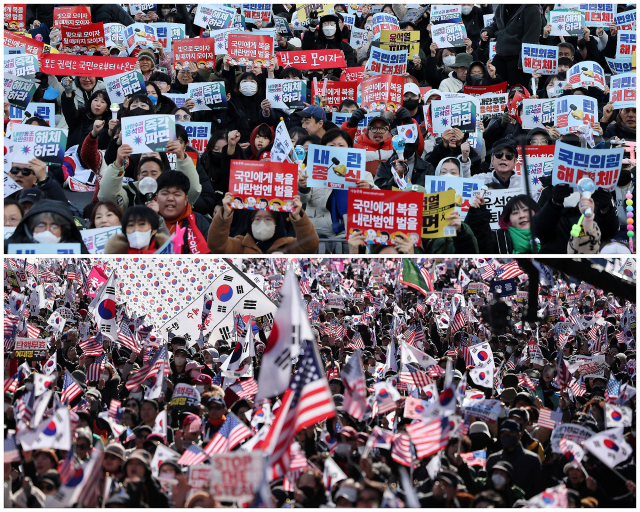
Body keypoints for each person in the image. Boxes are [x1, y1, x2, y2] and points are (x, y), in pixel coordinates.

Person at [208, 192, 319, 254]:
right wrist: (225, 214)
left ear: (277, 224)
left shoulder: (288, 245)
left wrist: (298, 217)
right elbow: (217, 245)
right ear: (250, 223)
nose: (262, 223)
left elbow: (310, 246)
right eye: (257, 219)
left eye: (268, 219)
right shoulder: (241, 244)